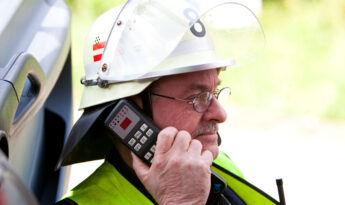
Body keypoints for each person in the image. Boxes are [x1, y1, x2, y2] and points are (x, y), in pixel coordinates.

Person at [56, 0, 278, 204]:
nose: (220, 114)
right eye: (198, 98)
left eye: (215, 91)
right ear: (129, 111)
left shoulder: (216, 164)